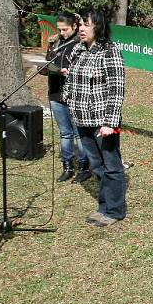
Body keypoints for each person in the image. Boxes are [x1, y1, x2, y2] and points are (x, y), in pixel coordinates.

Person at [62, 9, 127, 227]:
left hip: (103, 122)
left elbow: (116, 88)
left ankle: (115, 210)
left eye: (86, 24)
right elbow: (70, 80)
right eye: (80, 24)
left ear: (97, 26)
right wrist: (68, 99)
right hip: (81, 120)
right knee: (97, 165)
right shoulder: (78, 50)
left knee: (111, 165)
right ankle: (104, 207)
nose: (80, 28)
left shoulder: (110, 51)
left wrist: (110, 122)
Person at [40, 12, 91, 183]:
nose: (62, 33)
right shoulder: (54, 43)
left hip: (74, 95)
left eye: (65, 29)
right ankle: (67, 167)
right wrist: (45, 68)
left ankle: (84, 167)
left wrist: (69, 72)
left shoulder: (81, 44)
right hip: (55, 93)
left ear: (75, 27)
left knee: (79, 134)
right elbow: (48, 62)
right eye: (60, 29)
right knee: (65, 133)